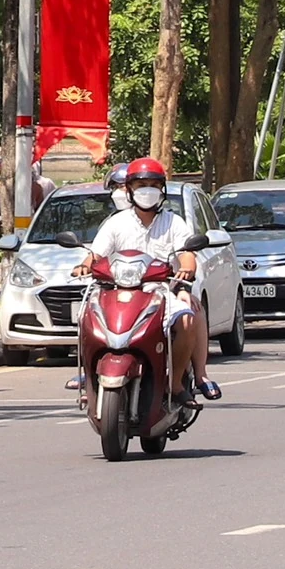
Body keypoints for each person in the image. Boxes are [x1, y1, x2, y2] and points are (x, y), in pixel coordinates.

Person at [78, 159, 221, 404]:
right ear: (129, 189)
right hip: (119, 293)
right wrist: (83, 265)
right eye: (141, 184)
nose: (147, 190)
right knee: (87, 315)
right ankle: (86, 373)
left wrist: (186, 270)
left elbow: (187, 254)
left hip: (163, 291)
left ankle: (175, 383)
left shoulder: (173, 222)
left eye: (154, 184)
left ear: (163, 190)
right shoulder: (116, 223)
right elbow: (96, 255)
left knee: (187, 318)